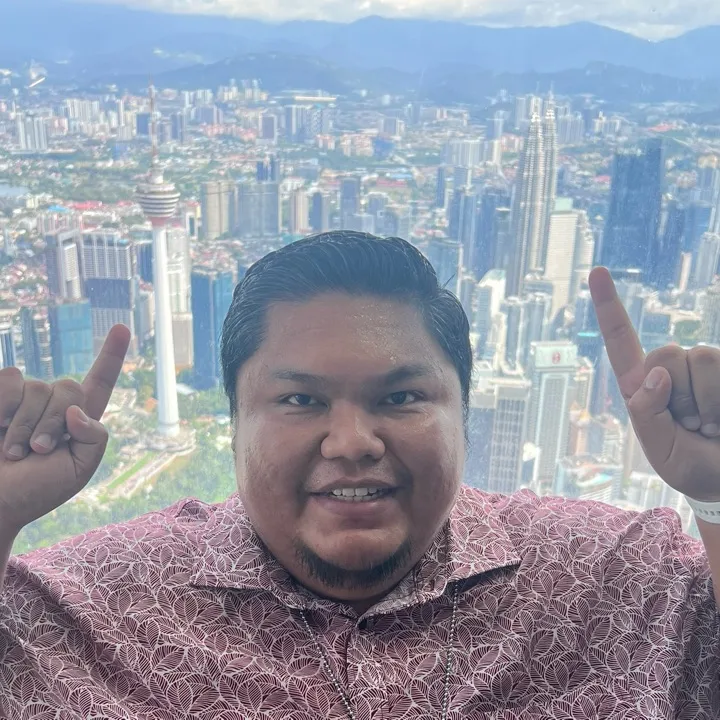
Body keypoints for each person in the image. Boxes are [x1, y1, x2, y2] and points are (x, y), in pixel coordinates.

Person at [0, 231, 717, 719]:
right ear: (234, 424)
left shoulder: (625, 579)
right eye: (299, 400)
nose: (351, 443)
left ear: (464, 415)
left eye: (400, 398)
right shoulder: (71, 613)